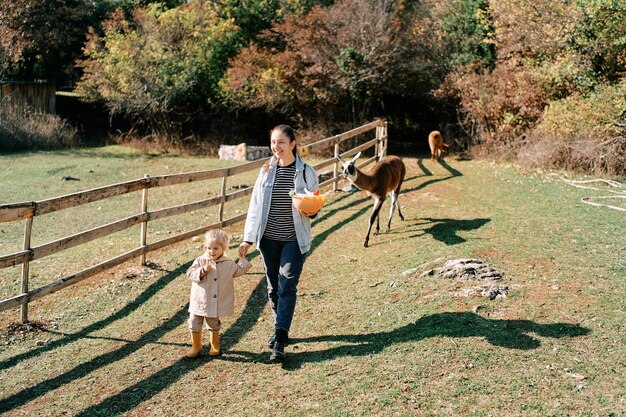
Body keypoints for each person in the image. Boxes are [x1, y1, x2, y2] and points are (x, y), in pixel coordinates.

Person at [239, 124, 320, 363]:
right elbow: (255, 206)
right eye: (273, 142)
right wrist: (248, 238)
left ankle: (280, 337)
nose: (276, 147)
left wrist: (309, 209)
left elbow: (315, 205)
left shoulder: (306, 172)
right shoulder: (265, 171)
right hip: (268, 240)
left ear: (293, 143)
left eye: (281, 142)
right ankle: (280, 326)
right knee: (273, 287)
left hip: (294, 240)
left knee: (287, 284)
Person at [186, 228, 252, 358]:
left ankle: (215, 346)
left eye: (215, 248)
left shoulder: (228, 263)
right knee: (194, 322)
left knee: (213, 323)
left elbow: (239, 271)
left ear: (224, 248)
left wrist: (243, 259)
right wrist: (203, 270)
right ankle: (196, 346)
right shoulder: (200, 261)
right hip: (199, 300)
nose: (212, 251)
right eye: (209, 248)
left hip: (214, 303)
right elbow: (190, 274)